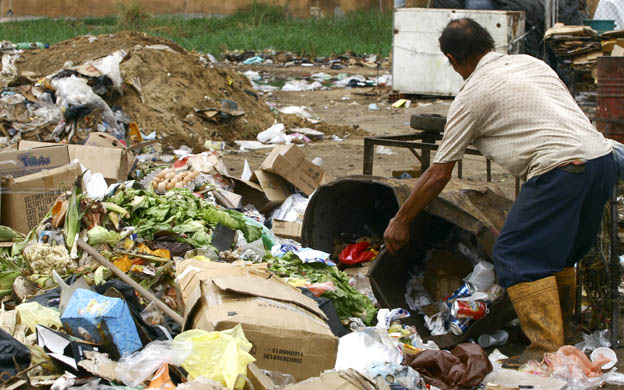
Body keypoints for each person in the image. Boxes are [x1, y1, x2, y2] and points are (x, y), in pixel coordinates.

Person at [383, 18, 616, 361]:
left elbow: (439, 173)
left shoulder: (472, 94)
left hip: (561, 170)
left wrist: (401, 220)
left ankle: (547, 351)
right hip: (601, 160)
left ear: (452, 59)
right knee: (560, 253)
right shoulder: (530, 63)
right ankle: (566, 335)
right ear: (489, 43)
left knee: (514, 253)